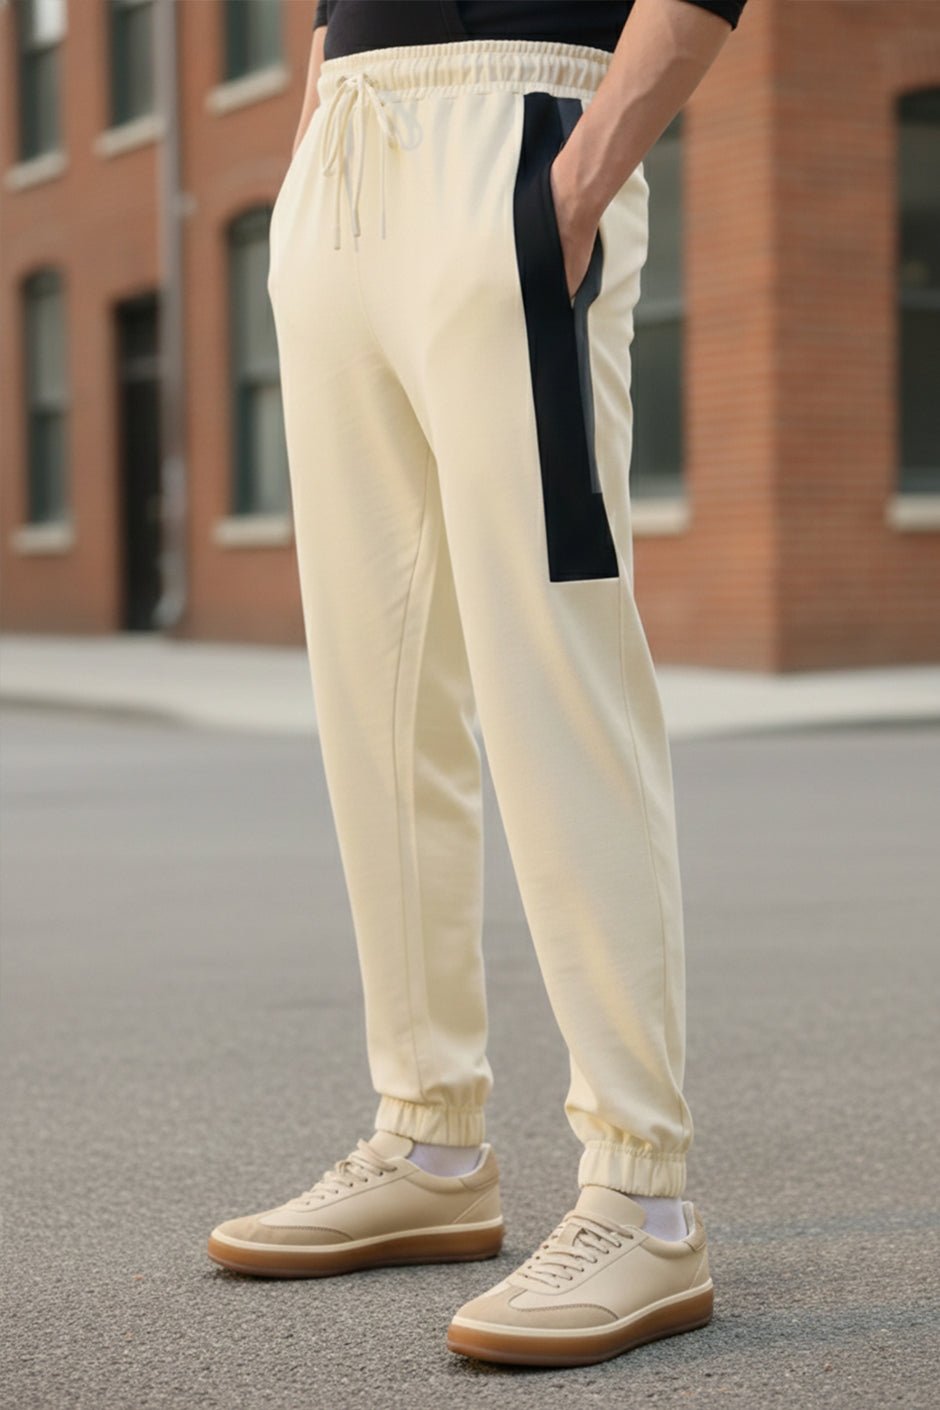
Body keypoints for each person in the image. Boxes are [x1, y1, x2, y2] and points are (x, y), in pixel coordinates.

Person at [208, 0, 747, 1369]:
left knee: (556, 682)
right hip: (348, 159)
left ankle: (643, 1191)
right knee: (375, 697)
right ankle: (428, 1137)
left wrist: (584, 169)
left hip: (517, 135)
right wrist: (320, 120)